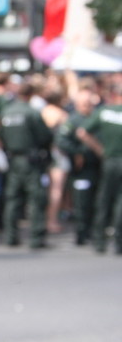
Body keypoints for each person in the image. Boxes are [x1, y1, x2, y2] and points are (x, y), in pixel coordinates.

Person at [0, 83, 53, 248]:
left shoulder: (5, 112)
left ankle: (10, 236)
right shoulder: (32, 113)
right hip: (30, 160)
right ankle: (36, 238)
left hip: (12, 159)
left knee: (12, 198)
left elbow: (1, 135)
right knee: (36, 198)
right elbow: (45, 136)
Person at [76, 84, 122, 255]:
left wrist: (99, 149)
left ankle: (99, 241)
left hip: (109, 160)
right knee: (119, 201)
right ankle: (119, 242)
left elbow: (82, 133)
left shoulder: (104, 112)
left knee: (104, 200)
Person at [55, 79, 100, 246]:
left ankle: (94, 231)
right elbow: (62, 141)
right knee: (81, 201)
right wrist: (78, 152)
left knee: (97, 201)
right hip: (81, 168)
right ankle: (81, 233)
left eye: (89, 103)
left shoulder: (98, 117)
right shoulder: (73, 120)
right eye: (83, 103)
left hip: (98, 165)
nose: (87, 107)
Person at [41, 86, 70, 234]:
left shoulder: (42, 112)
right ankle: (51, 221)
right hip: (57, 153)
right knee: (56, 189)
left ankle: (47, 219)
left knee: (48, 188)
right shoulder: (61, 114)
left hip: (43, 153)